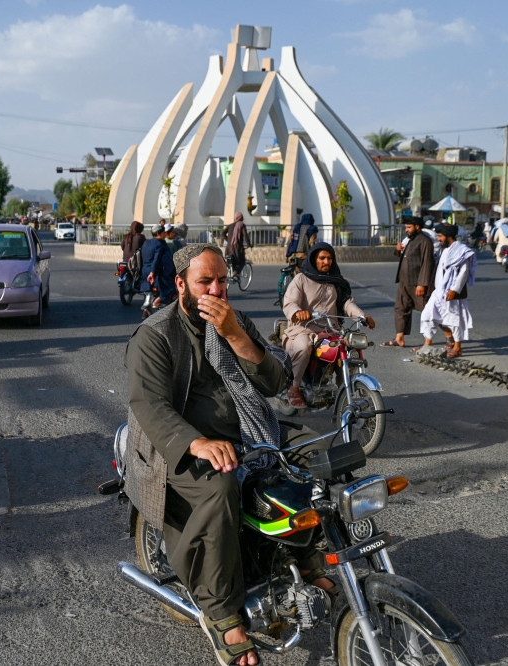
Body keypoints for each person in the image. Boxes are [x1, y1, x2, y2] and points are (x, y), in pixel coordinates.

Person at [125, 244, 337, 666]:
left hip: (245, 432)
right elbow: (149, 405)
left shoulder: (234, 322)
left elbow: (276, 382)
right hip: (176, 445)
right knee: (221, 488)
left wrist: (236, 336)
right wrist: (197, 443)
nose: (217, 289)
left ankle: (302, 555)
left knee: (305, 466)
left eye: (222, 280)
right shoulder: (156, 334)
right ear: (181, 283)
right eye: (206, 281)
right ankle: (222, 615)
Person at [282, 242, 374, 408]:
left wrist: (362, 316)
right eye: (322, 258)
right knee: (304, 346)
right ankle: (294, 388)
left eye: (329, 258)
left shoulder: (335, 281)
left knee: (349, 348)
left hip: (331, 330)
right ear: (313, 259)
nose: (326, 262)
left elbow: (346, 303)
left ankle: (346, 391)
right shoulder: (301, 279)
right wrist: (298, 313)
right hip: (304, 328)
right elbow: (290, 302)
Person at [418, 223, 477, 358]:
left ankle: (457, 347)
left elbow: (464, 272)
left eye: (440, 236)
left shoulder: (462, 250)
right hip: (439, 290)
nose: (438, 239)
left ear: (449, 236)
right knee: (427, 314)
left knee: (454, 320)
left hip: (452, 292)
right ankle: (427, 343)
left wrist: (454, 289)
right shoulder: (444, 250)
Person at [383, 219, 435, 348]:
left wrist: (422, 284)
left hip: (417, 283)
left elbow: (427, 263)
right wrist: (397, 249)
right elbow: (402, 255)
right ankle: (399, 338)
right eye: (406, 227)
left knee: (426, 311)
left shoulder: (425, 241)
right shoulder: (409, 240)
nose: (406, 230)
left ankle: (431, 341)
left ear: (417, 227)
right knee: (401, 309)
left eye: (409, 227)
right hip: (404, 282)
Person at [140, 224, 176, 316]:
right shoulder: (159, 244)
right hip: (156, 271)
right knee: (170, 286)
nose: (165, 234)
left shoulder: (146, 243)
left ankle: (146, 312)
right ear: (159, 233)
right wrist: (153, 272)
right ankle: (158, 301)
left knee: (148, 290)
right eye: (164, 232)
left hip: (145, 270)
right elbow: (156, 259)